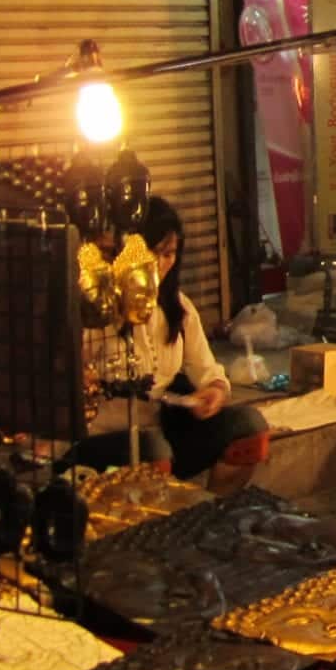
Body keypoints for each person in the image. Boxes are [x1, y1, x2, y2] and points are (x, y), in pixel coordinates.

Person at [68, 197, 271, 490]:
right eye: (153, 253)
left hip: (161, 429)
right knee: (153, 451)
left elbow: (209, 370)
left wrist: (213, 392)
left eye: (169, 254)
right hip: (100, 438)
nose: (160, 265)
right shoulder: (93, 311)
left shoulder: (179, 308)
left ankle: (208, 515)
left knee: (248, 428)